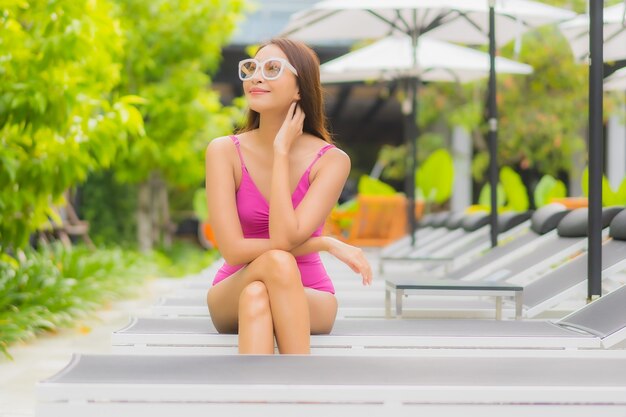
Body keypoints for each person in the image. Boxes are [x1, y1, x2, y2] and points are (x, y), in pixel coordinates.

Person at [205, 38, 372, 355]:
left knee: (258, 295)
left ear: (300, 88)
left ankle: (258, 399)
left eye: (272, 69)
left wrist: (281, 152)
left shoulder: (331, 161)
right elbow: (233, 250)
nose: (256, 77)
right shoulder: (223, 151)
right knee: (273, 266)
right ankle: (302, 392)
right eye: (251, 68)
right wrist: (324, 242)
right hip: (233, 287)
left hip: (310, 293)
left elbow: (284, 235)